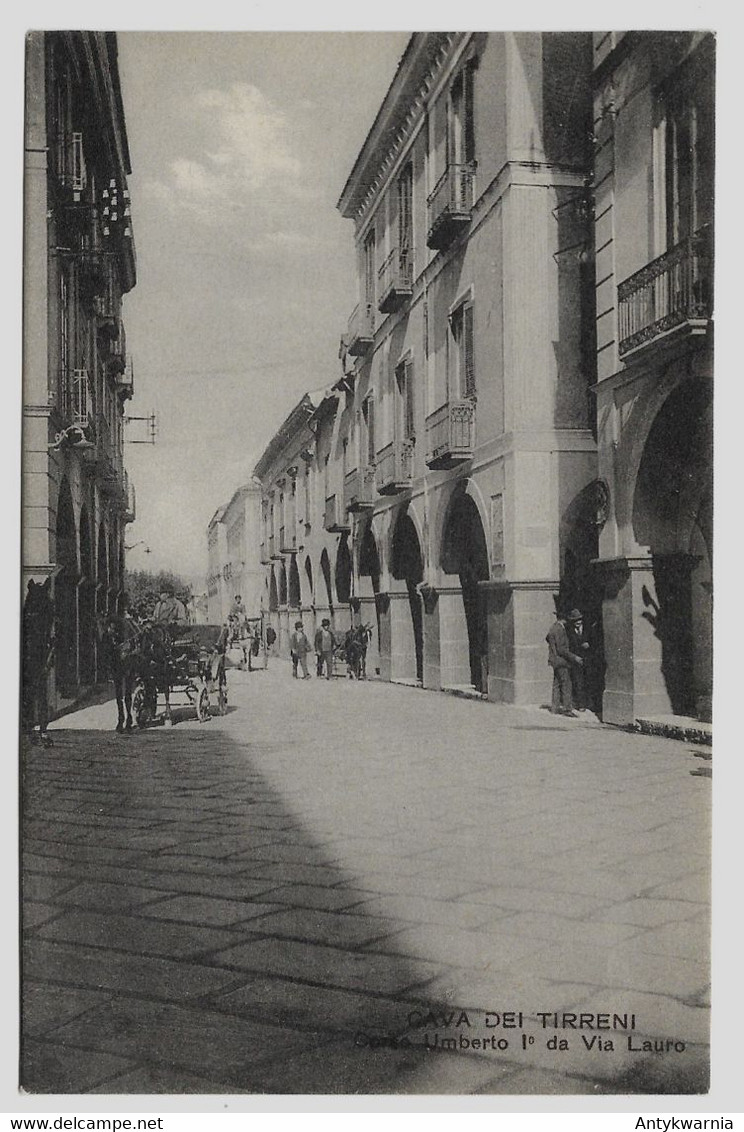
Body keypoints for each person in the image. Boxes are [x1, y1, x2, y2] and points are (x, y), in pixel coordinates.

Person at [22, 579, 54, 746]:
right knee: (38, 694)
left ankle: (37, 729)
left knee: (35, 693)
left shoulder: (32, 604)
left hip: (36, 656)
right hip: (37, 656)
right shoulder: (42, 604)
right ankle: (40, 730)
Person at [546, 610, 585, 717]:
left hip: (555, 660)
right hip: (561, 661)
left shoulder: (553, 627)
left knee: (557, 683)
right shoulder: (559, 629)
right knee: (567, 684)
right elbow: (561, 649)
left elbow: (547, 638)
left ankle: (555, 708)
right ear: (563, 618)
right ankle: (567, 709)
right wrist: (574, 657)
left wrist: (552, 648)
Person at [565, 609, 591, 711]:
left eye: (579, 620)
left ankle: (590, 702)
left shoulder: (588, 629)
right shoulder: (569, 631)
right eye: (575, 621)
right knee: (578, 681)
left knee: (588, 680)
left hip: (588, 659)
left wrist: (589, 645)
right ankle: (581, 704)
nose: (578, 622)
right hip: (576, 660)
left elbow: (596, 642)